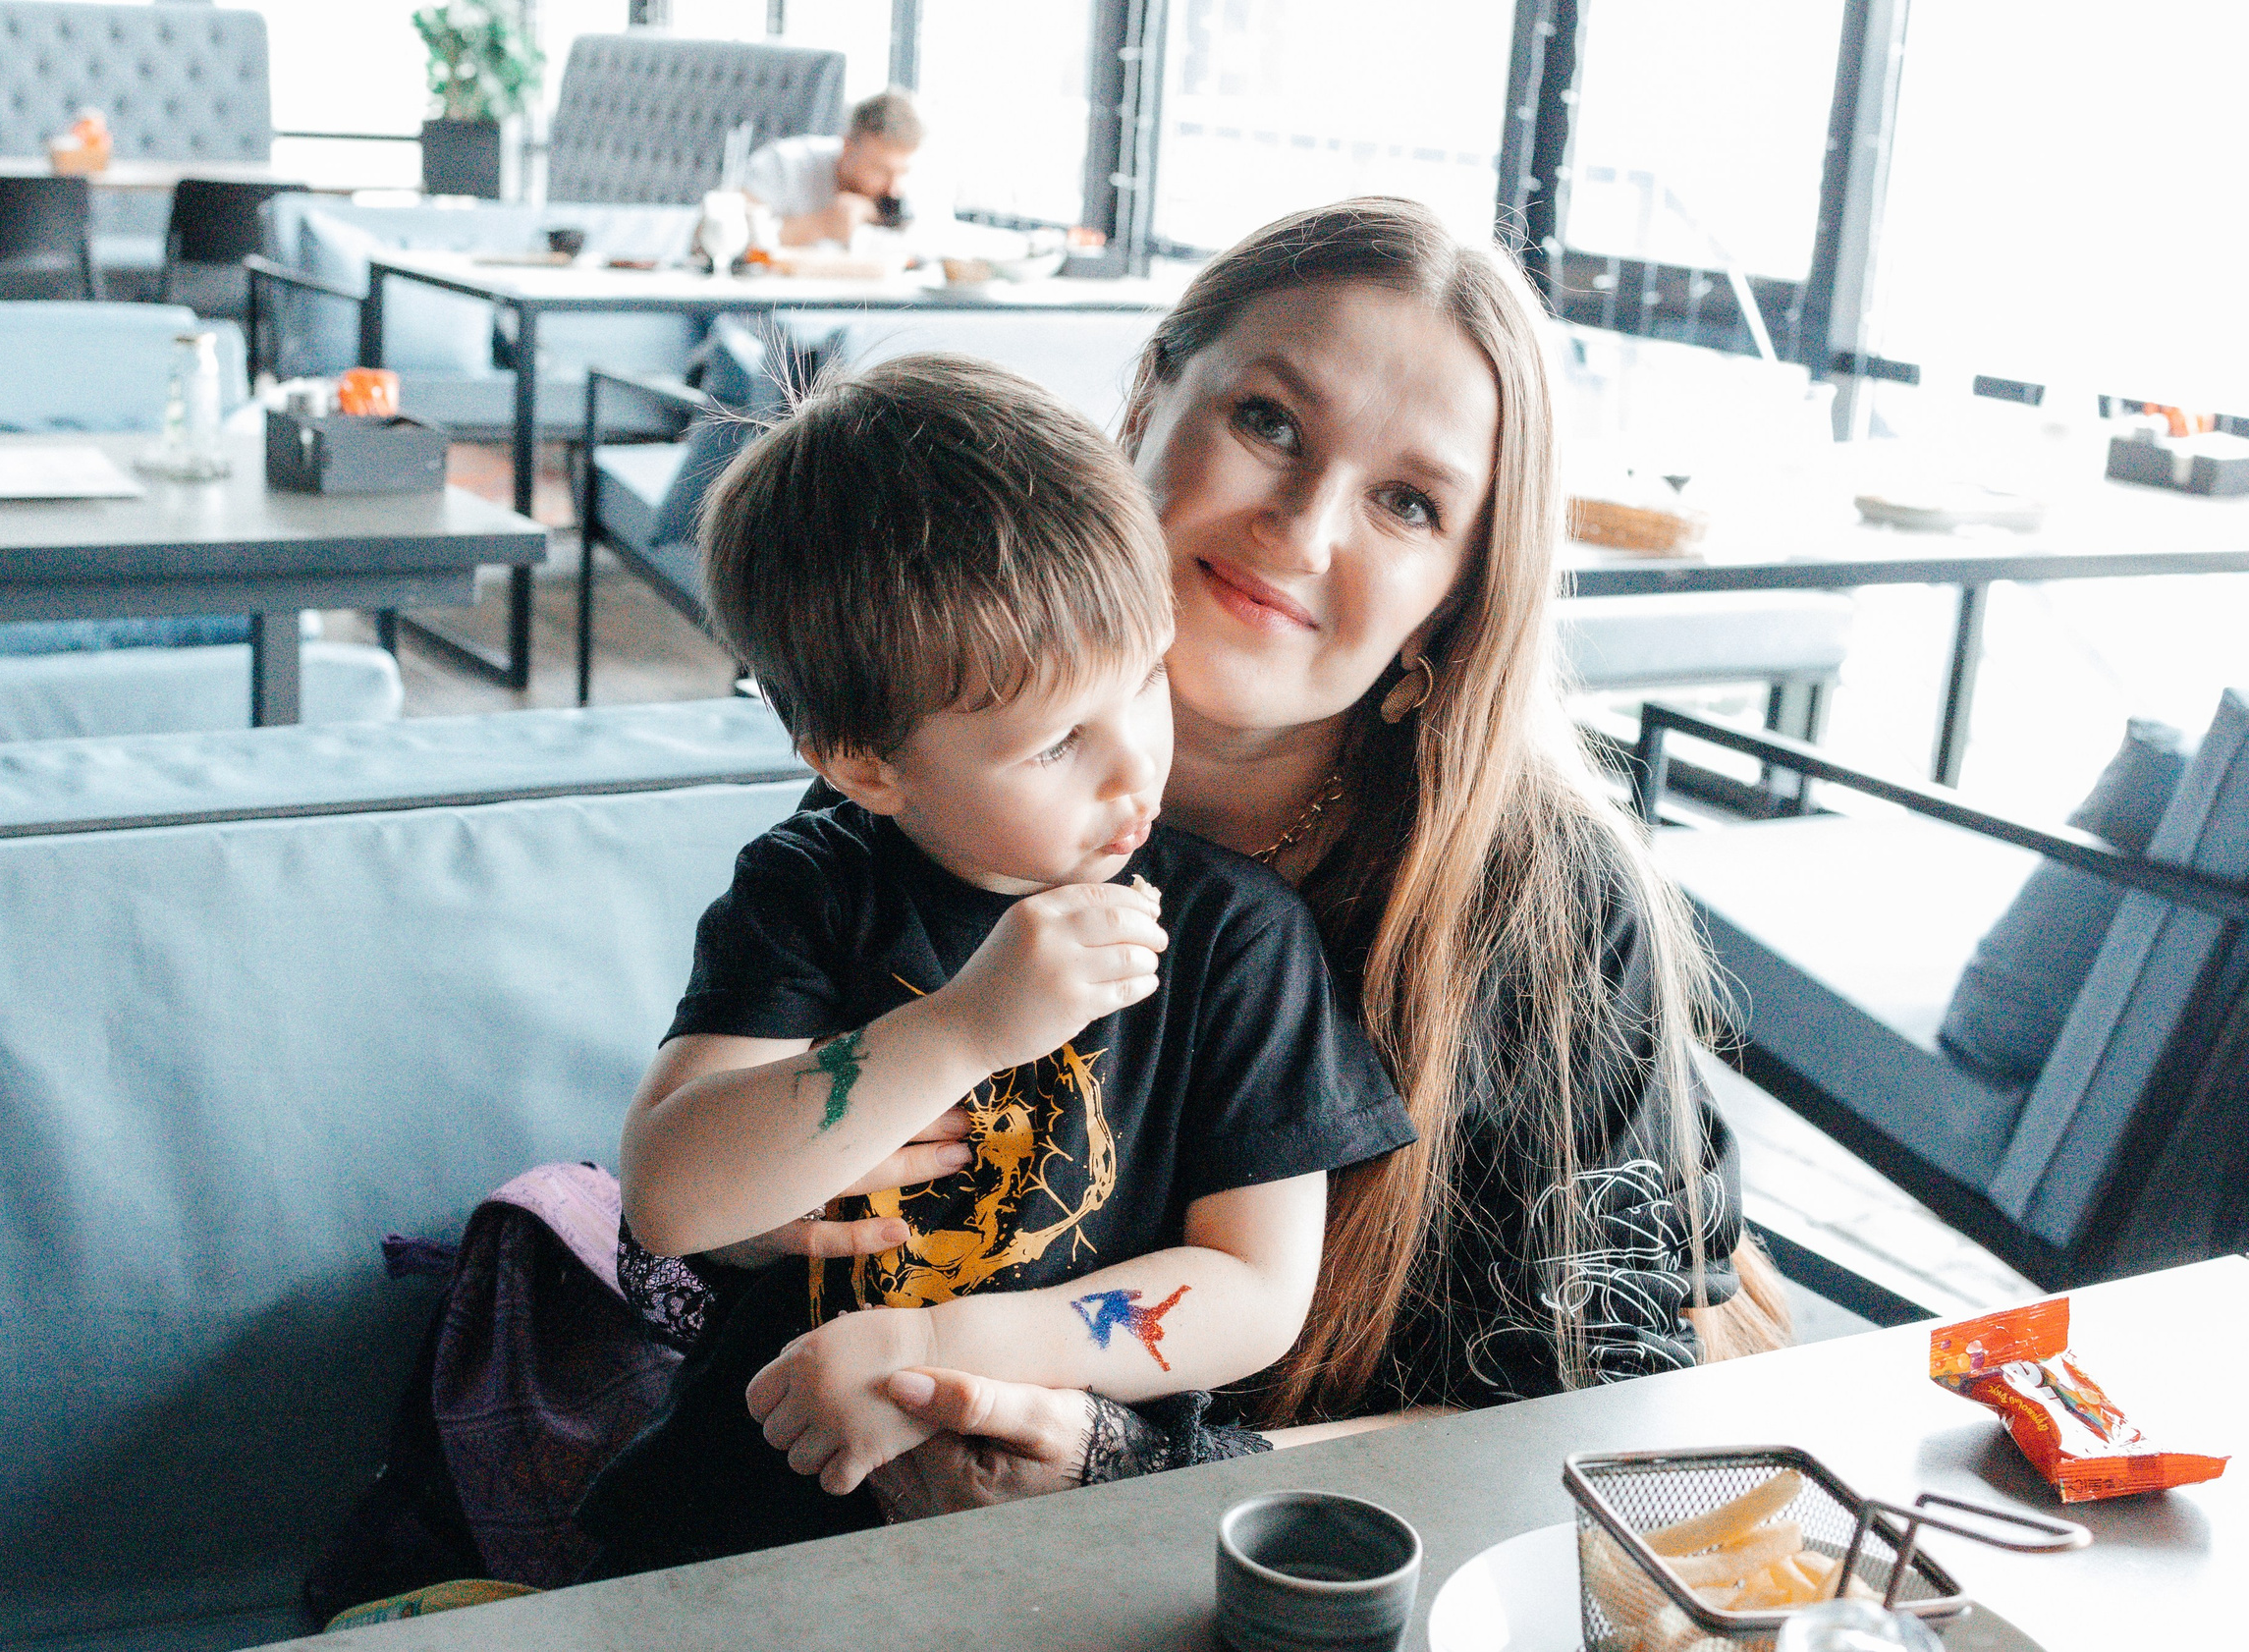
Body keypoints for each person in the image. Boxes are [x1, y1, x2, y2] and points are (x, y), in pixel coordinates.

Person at [694, 196, 1793, 1520]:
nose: (1304, 526)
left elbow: (1610, 1428)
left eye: (1408, 501)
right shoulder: (942, 757)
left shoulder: (1539, 903)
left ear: (1460, 592)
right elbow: (715, 1160)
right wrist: (768, 1204)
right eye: (1269, 421)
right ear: (1152, 398)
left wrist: (1124, 1471)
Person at [577, 354, 1413, 1571]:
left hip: (1042, 1530)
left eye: (1142, 678)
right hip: (736, 1523)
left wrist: (945, 1344)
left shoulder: (1235, 934)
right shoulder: (816, 883)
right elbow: (671, 1191)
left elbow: (1251, 1291)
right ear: (866, 764)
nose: (1134, 767)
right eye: (1057, 741)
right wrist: (963, 1028)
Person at [741, 87, 924, 248]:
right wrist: (820, 225)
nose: (893, 189)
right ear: (847, 147)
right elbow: (732, 237)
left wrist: (874, 213)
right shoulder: (783, 164)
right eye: (881, 170)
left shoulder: (902, 193)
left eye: (902, 172)